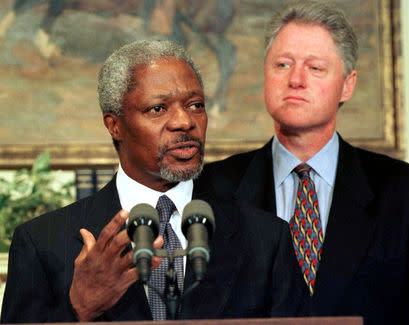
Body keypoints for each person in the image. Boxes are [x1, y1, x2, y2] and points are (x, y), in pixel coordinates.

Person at [1, 40, 306, 322]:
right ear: (115, 125)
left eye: (195, 104)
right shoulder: (43, 243)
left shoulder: (266, 239)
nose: (185, 122)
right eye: (158, 109)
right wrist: (79, 308)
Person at [196, 1, 409, 325]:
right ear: (265, 75)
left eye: (315, 68)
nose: (296, 80)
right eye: (283, 65)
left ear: (347, 84)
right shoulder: (207, 191)